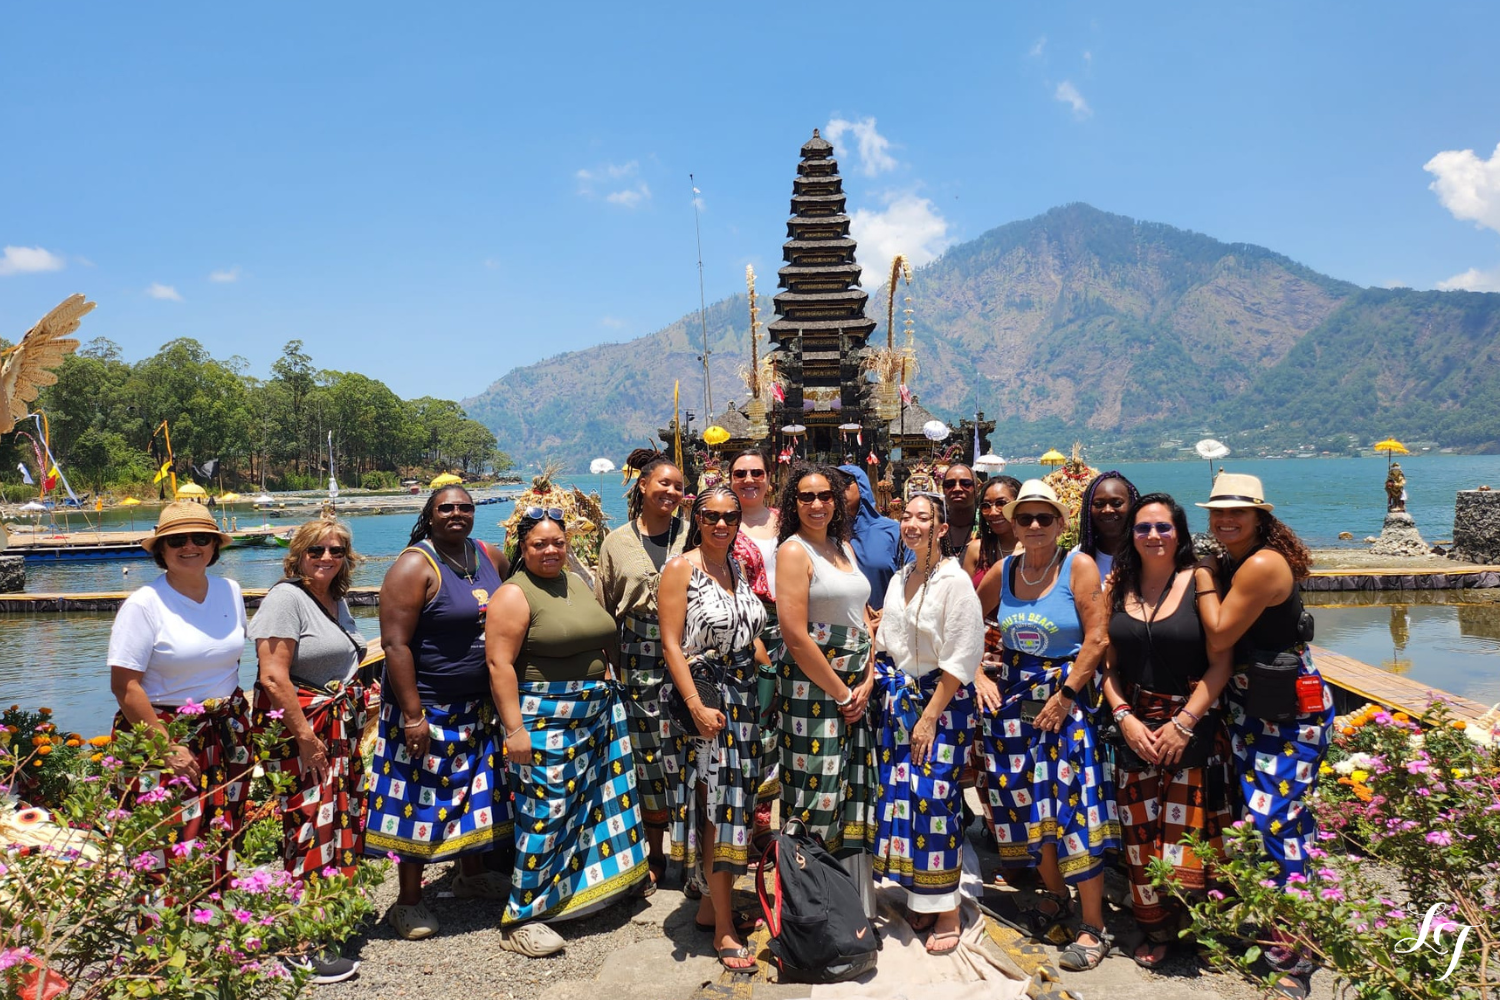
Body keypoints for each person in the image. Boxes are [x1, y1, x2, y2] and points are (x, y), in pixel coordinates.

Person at [1192, 473, 1333, 999]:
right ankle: (1287, 923)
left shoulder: (1260, 564)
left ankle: (1297, 948)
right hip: (1255, 705)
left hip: (1289, 713)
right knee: (1266, 815)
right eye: (1217, 513)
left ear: (1260, 518)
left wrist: (1202, 573)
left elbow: (1222, 630)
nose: (1225, 520)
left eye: (1237, 513)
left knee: (1279, 818)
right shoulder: (1239, 559)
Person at [486, 507, 648, 957]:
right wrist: (514, 728)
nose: (551, 550)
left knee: (598, 801)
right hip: (543, 717)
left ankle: (596, 888)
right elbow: (499, 664)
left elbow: (600, 635)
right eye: (540, 544)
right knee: (548, 810)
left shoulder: (574, 581)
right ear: (523, 547)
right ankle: (523, 916)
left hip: (594, 711)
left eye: (558, 542)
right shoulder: (514, 595)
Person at [973, 479, 1118, 972]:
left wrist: (1067, 694)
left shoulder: (1075, 566)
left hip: (1065, 698)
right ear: (1012, 525)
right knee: (1025, 803)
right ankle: (1057, 897)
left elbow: (1097, 639)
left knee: (1075, 804)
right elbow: (965, 624)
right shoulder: (1004, 569)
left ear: (1061, 524)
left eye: (1045, 518)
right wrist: (975, 673)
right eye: (1025, 518)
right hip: (1013, 702)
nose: (1034, 526)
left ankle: (1093, 924)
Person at [365, 486, 512, 941]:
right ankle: (408, 901)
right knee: (417, 796)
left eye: (465, 507)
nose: (456, 514)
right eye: (445, 507)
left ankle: (470, 874)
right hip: (426, 705)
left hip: (477, 704)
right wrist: (412, 715)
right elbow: (395, 644)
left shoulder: (490, 556)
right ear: (429, 515)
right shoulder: (414, 565)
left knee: (476, 794)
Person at [1099, 494, 1233, 970]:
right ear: (1130, 536)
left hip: (1192, 725)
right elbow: (1108, 668)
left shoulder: (1198, 579)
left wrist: (1184, 723)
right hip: (1134, 725)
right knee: (1139, 836)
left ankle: (1200, 931)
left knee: (1194, 835)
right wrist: (1123, 716)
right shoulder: (1117, 585)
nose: (1152, 536)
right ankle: (1153, 925)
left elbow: (1221, 664)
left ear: (1179, 532)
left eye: (1162, 527)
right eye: (1142, 528)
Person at [250, 518, 368, 984]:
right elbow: (273, 676)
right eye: (316, 550)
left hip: (334, 728)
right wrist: (304, 735)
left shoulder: (334, 600)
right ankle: (305, 943)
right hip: (305, 730)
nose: (326, 558)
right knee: (307, 823)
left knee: (337, 819)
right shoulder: (286, 598)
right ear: (297, 554)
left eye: (336, 551)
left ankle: (329, 919)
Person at [658, 486, 769, 971]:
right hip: (708, 703)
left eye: (730, 515)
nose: (721, 524)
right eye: (711, 516)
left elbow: (750, 636)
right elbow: (670, 644)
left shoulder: (737, 567)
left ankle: (708, 907)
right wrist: (694, 706)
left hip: (743, 704)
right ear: (696, 517)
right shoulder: (681, 568)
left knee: (733, 807)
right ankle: (723, 928)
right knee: (719, 809)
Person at [107, 501, 248, 878]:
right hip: (164, 730)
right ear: (161, 550)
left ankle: (218, 924)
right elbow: (124, 686)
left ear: (214, 546)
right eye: (176, 540)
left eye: (200, 538)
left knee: (222, 831)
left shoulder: (230, 591)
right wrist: (165, 745)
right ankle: (161, 933)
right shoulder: (143, 605)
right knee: (164, 840)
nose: (190, 546)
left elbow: (229, 662)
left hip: (224, 729)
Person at [871, 492, 984, 954]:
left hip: (943, 703)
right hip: (900, 701)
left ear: (941, 528)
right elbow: (891, 640)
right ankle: (920, 894)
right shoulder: (902, 578)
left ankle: (948, 908)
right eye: (906, 516)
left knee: (936, 799)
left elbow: (962, 654)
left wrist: (930, 716)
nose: (912, 524)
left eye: (923, 518)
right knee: (901, 797)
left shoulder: (955, 583)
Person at [774, 464, 878, 915]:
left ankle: (850, 904)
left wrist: (868, 679)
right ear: (792, 503)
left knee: (853, 792)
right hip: (815, 689)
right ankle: (810, 908)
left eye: (824, 495)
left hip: (856, 683)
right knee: (817, 791)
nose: (816, 504)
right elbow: (795, 635)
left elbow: (863, 619)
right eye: (805, 496)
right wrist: (841, 692)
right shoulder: (794, 553)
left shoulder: (843, 547)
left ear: (837, 499)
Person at [595, 447, 688, 888]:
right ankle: (654, 854)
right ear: (643, 486)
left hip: (689, 653)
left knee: (690, 751)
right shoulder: (616, 542)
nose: (670, 491)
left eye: (678, 486)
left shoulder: (692, 534)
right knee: (648, 755)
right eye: (663, 483)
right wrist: (609, 666)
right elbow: (605, 609)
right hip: (636, 658)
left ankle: (693, 851)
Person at [726, 447, 782, 856]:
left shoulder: (785, 521)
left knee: (782, 730)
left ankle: (767, 821)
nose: (749, 479)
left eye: (756, 472)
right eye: (740, 473)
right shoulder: (722, 525)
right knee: (750, 727)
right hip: (747, 634)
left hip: (794, 631)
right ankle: (739, 824)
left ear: (769, 477)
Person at [839, 463, 903, 615]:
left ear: (862, 486)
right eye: (834, 484)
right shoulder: (828, 534)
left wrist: (887, 612)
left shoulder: (894, 531)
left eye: (845, 482)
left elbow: (913, 578)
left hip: (889, 621)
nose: (839, 488)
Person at [1078, 471, 1139, 582]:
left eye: (1116, 503)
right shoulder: (1077, 557)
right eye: (1099, 504)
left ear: (1132, 505)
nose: (1107, 510)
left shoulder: (1146, 553)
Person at [963, 475, 1022, 588]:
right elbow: (964, 598)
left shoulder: (1034, 549)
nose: (993, 512)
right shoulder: (978, 550)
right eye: (986, 506)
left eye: (1001, 504)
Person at [940, 463, 979, 552]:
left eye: (965, 483)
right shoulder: (935, 530)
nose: (957, 488)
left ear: (977, 489)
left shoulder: (988, 528)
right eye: (950, 484)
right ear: (943, 490)